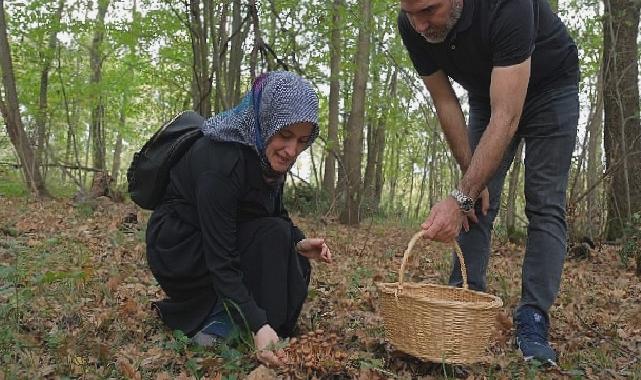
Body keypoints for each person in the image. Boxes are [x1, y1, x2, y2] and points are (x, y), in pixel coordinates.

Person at [397, 0, 579, 365]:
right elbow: (445, 101)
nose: (419, 25)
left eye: (429, 11)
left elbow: (507, 115)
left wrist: (460, 196)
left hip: (550, 86)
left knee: (544, 204)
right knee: (477, 200)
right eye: (411, 13)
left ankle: (533, 318)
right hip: (487, 91)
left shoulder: (506, 6)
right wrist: (470, 185)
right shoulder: (411, 22)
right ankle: (464, 300)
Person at [145, 71, 332, 367]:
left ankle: (265, 327)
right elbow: (221, 258)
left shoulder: (266, 156)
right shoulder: (219, 161)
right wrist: (258, 324)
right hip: (180, 247)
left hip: (221, 233)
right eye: (285, 135)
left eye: (301, 140)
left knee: (278, 233)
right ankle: (225, 319)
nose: (292, 151)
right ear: (266, 119)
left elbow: (274, 213)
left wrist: (299, 242)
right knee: (271, 237)